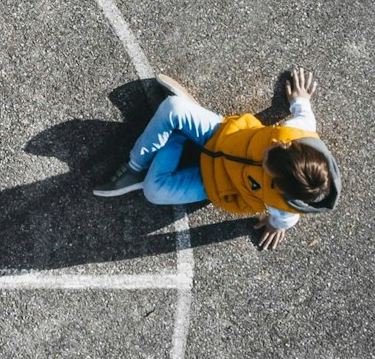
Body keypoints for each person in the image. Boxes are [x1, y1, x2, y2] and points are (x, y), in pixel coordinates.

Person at [92, 69, 340, 251]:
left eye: (267, 161)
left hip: (214, 183)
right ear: (294, 145)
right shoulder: (299, 132)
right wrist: (300, 99)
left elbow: (285, 219)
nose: (272, 145)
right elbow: (304, 114)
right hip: (221, 133)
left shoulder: (284, 207)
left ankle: (179, 136)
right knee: (173, 107)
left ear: (278, 184)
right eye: (279, 145)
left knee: (153, 191)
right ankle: (136, 166)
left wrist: (277, 225)